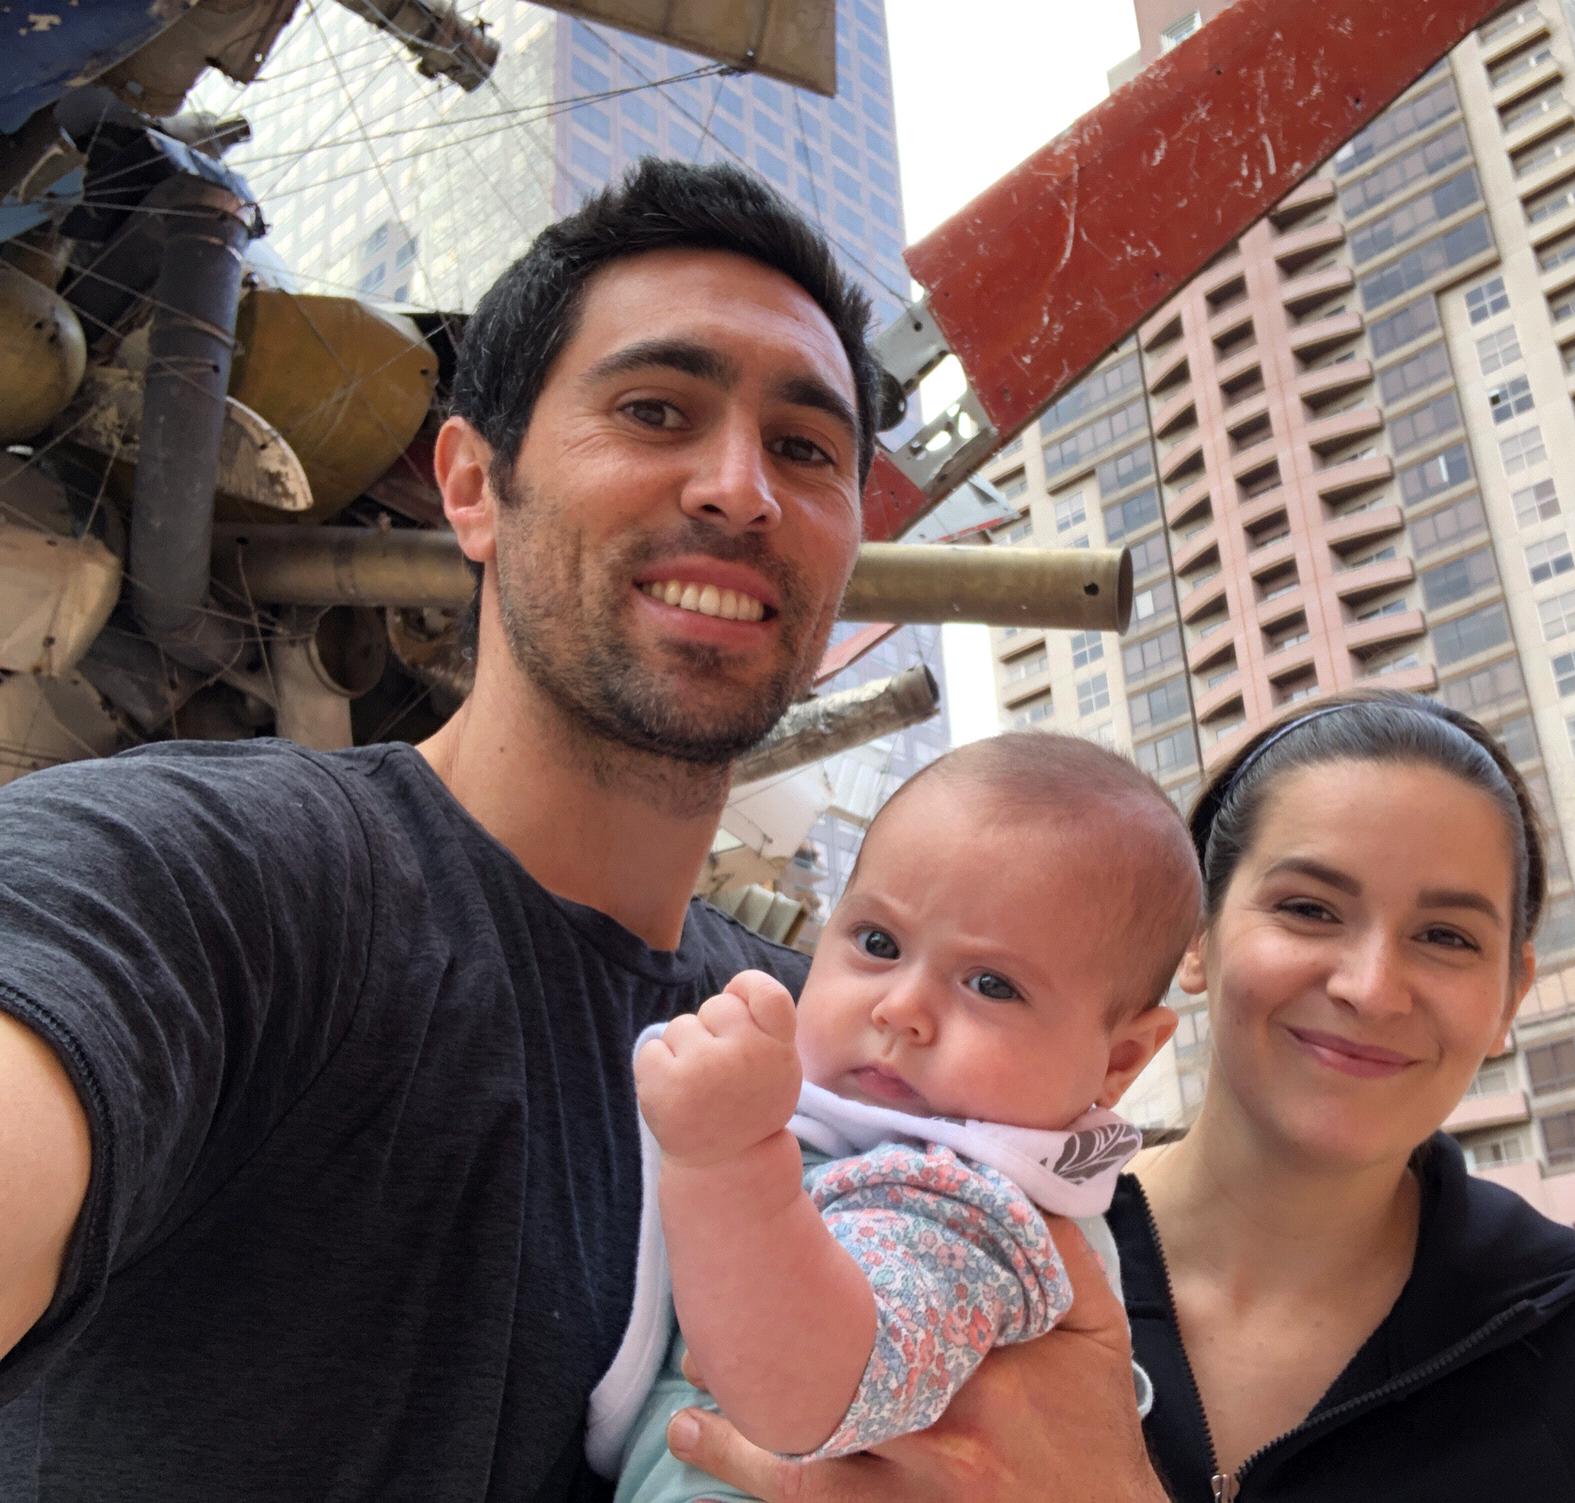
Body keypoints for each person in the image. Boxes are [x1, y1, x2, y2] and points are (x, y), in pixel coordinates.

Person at [0, 160, 1163, 1503]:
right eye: (655, 410)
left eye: (804, 449)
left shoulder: (881, 1069)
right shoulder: (196, 880)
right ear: (472, 484)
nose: (739, 489)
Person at [1103, 689, 1575, 1502]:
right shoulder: (987, 1261)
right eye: (1309, 908)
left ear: (1510, 994)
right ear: (1197, 931)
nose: (1372, 988)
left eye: (1446, 936)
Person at [595, 733, 1196, 1502]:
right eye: (878, 942)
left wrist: (727, 1160)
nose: (902, 1006)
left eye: (991, 984)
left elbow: (808, 1389)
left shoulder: (975, 1210)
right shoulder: (838, 1124)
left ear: (1120, 1060)